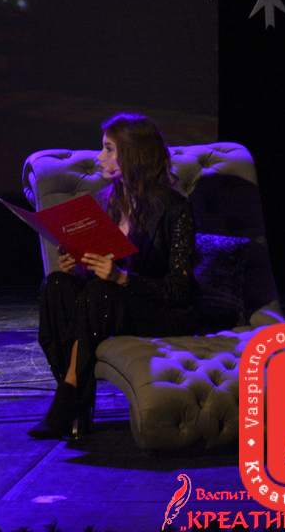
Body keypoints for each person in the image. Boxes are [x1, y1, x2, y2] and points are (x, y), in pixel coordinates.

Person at [30, 113, 199, 438]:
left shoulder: (176, 209)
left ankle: (69, 397)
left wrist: (122, 278)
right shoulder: (108, 201)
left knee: (100, 293)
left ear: (134, 154)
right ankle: (74, 395)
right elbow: (100, 273)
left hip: (162, 311)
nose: (100, 157)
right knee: (56, 285)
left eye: (109, 149)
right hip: (112, 303)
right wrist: (78, 265)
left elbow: (179, 290)